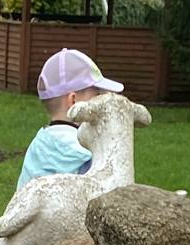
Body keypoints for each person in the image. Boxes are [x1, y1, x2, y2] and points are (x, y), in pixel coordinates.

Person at [17, 48, 122, 191]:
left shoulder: (38, 146)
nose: (100, 102)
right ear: (73, 101)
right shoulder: (86, 153)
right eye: (97, 95)